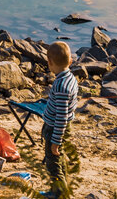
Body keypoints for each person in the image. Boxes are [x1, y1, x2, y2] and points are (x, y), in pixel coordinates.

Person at [40, 41, 78, 198]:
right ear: (70, 61)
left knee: (53, 163)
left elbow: (61, 118)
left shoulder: (62, 86)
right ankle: (62, 189)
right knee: (60, 160)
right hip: (61, 127)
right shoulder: (70, 78)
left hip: (56, 129)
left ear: (49, 63)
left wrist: (55, 141)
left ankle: (59, 193)